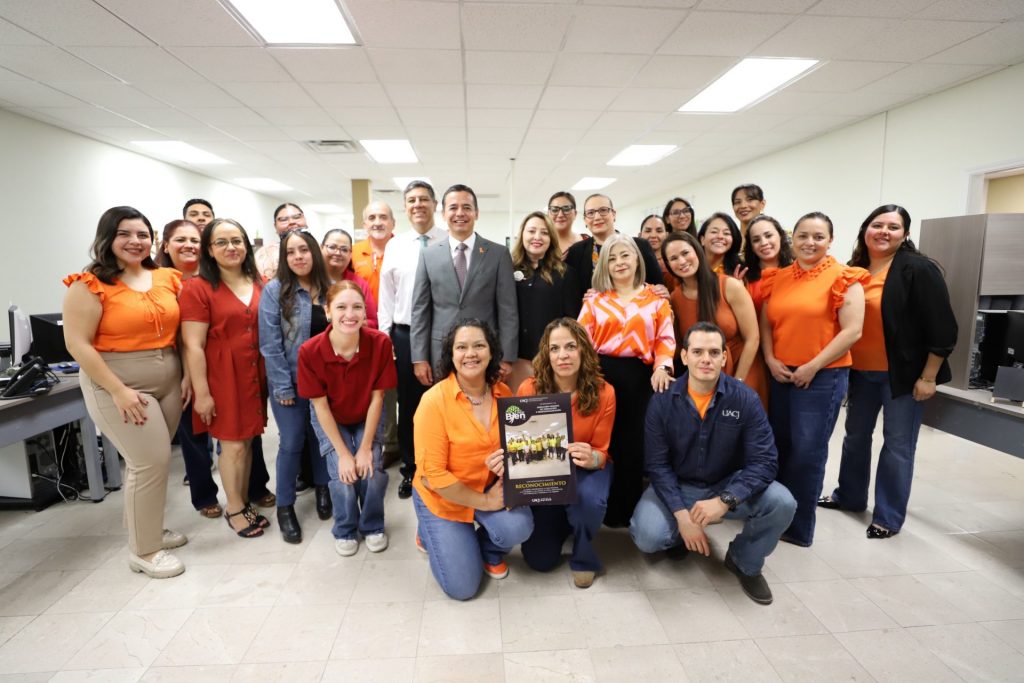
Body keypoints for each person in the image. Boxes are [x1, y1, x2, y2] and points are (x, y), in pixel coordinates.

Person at [630, 322, 796, 605]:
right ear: (684, 357)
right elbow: (657, 465)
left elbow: (765, 461)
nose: (706, 359)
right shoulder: (663, 401)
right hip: (678, 485)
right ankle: (681, 535)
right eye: (697, 352)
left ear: (724, 357)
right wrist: (682, 517)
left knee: (783, 502)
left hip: (727, 483)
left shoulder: (745, 399)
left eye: (713, 352)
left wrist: (725, 500)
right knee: (648, 536)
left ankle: (744, 560)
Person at [63, 206, 188, 578]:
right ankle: (144, 551)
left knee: (157, 461)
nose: (135, 241)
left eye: (142, 234)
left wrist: (186, 375)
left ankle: (148, 529)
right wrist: (117, 390)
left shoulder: (166, 277)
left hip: (169, 379)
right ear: (107, 238)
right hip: (119, 384)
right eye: (125, 234)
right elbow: (77, 344)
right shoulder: (88, 284)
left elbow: (182, 332)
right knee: (148, 463)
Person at [819, 205, 957, 539]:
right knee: (855, 437)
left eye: (893, 227)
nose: (884, 232)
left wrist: (928, 377)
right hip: (860, 373)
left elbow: (943, 328)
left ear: (905, 234)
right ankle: (849, 496)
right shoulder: (855, 268)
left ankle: (888, 517)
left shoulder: (918, 269)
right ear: (865, 229)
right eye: (877, 225)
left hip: (903, 377)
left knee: (897, 445)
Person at [760, 211, 869, 547]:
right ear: (792, 239)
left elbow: (852, 331)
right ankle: (773, 516)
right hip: (781, 374)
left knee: (807, 453)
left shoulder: (844, 278)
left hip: (822, 377)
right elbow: (767, 323)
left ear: (830, 241)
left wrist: (813, 366)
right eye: (803, 236)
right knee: (779, 447)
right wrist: (770, 359)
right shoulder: (778, 277)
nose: (810, 243)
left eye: (818, 237)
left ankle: (798, 528)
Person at [412, 320, 534, 600]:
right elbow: (435, 476)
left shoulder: (504, 394)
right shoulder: (433, 402)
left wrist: (509, 462)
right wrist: (486, 502)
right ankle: (427, 529)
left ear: (491, 352)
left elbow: (517, 448)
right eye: (461, 347)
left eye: (479, 345)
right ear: (451, 355)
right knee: (463, 588)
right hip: (443, 497)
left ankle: (487, 550)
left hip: (486, 485)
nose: (471, 353)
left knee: (519, 527)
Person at [181, 218, 270, 538]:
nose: (231, 247)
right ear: (209, 249)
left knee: (247, 442)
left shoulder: (257, 281)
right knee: (232, 446)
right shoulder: (198, 288)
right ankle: (234, 509)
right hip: (222, 376)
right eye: (221, 242)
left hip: (254, 373)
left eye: (236, 241)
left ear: (246, 245)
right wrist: (202, 393)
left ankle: (242, 502)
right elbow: (193, 345)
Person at [578, 234, 675, 527]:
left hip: (640, 378)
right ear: (604, 266)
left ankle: (627, 510)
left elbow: (665, 338)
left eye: (624, 255)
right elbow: (581, 340)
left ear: (636, 259)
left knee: (633, 444)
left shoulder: (656, 299)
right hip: (599, 376)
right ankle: (595, 505)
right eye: (612, 258)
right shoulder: (595, 300)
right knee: (601, 442)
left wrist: (663, 367)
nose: (619, 262)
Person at [298, 281, 397, 556]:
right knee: (343, 473)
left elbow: (378, 399)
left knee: (371, 468)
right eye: (341, 307)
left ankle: (373, 525)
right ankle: (345, 528)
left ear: (365, 312)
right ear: (328, 311)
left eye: (357, 307)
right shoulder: (309, 351)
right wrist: (344, 454)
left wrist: (364, 449)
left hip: (367, 411)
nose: (350, 314)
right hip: (331, 416)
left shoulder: (380, 343)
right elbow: (320, 407)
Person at [516, 318, 616, 589]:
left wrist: (592, 457)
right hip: (546, 473)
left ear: (583, 350)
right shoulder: (529, 389)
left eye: (571, 346)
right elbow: (522, 448)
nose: (563, 355)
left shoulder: (605, 392)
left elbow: (601, 452)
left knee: (588, 500)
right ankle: (567, 521)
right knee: (539, 559)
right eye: (555, 348)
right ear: (546, 354)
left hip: (586, 470)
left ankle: (584, 553)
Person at [258, 230, 333, 543]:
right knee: (291, 442)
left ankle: (324, 488)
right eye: (291, 252)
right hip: (289, 380)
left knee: (321, 438)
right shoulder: (275, 291)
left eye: (304, 249)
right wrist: (283, 387)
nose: (298, 256)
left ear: (314, 252)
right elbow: (270, 344)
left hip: (325, 383)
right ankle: (285, 506)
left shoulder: (330, 289)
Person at [379, 180, 448, 500]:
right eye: (411, 200)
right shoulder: (395, 246)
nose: (418, 204)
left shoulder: (449, 239)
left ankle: (442, 465)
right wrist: (386, 338)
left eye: (423, 199)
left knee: (444, 402)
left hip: (444, 333)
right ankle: (411, 468)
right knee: (409, 405)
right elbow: (386, 296)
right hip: (405, 333)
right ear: (405, 208)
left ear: (435, 204)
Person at [410, 183, 518, 384]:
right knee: (445, 402)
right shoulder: (428, 255)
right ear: (443, 214)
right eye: (453, 207)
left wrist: (507, 356)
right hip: (441, 352)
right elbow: (420, 310)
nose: (460, 213)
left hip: (485, 352)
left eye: (467, 207)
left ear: (476, 213)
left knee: (484, 401)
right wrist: (419, 357)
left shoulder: (498, 254)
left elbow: (508, 310)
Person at [159, 219, 222, 517]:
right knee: (193, 433)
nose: (189, 246)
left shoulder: (214, 277)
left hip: (219, 362)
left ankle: (253, 487)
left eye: (195, 240)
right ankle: (204, 496)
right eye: (180, 240)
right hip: (177, 367)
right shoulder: (159, 282)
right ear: (165, 245)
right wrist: (186, 375)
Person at [662, 231, 767, 407]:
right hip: (705, 378)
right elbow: (680, 348)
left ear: (697, 251)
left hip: (743, 368)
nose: (681, 261)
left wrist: (737, 383)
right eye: (673, 258)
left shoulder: (729, 285)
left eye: (685, 253)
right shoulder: (675, 298)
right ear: (668, 265)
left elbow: (753, 338)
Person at [508, 211, 582, 392]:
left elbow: (572, 322)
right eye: (531, 231)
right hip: (515, 361)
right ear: (522, 235)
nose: (537, 237)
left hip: (553, 361)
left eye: (544, 232)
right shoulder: (506, 269)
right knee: (517, 407)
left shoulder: (565, 273)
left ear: (551, 238)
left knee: (549, 407)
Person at [352, 201, 400, 465]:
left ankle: (404, 441)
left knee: (405, 389)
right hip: (366, 334)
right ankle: (388, 443)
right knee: (381, 391)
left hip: (399, 328)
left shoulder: (403, 248)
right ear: (364, 224)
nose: (377, 222)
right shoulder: (354, 252)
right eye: (371, 218)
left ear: (393, 223)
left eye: (383, 217)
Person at [564, 194, 666, 299]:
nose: (597, 217)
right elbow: (570, 294)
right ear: (585, 219)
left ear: (613, 214)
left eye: (603, 210)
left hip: (640, 307)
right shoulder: (576, 252)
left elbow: (658, 286)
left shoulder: (640, 246)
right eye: (590, 213)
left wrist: (661, 291)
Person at [320, 229, 378, 329]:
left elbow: (373, 322)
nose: (338, 253)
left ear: (351, 254)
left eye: (344, 249)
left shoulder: (359, 284)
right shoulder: (310, 280)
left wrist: (354, 322)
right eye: (332, 247)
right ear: (321, 248)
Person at [741, 215, 794, 317]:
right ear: (751, 246)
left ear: (780, 236)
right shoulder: (744, 279)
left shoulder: (797, 271)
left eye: (768, 236)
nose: (764, 243)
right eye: (756, 240)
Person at [255, 203, 307, 280]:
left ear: (305, 220)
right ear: (275, 226)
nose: (291, 222)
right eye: (283, 219)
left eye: (296, 217)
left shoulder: (319, 249)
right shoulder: (264, 254)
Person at [638, 214, 673, 292]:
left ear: (667, 235)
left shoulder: (674, 260)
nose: (653, 235)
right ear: (640, 235)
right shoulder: (636, 263)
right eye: (648, 231)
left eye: (659, 231)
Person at [546, 191, 583, 257]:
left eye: (566, 209)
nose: (560, 215)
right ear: (548, 214)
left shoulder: (588, 242)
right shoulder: (540, 243)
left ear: (575, 213)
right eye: (554, 210)